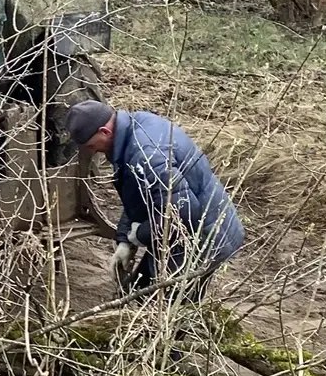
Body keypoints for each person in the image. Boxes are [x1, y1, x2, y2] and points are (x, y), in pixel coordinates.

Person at [66, 98, 244, 298]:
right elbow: (142, 195)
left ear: (105, 132)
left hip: (203, 237)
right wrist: (125, 239)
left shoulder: (147, 154)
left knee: (160, 305)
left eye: (91, 146)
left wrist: (139, 235)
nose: (92, 151)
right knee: (138, 292)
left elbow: (181, 213)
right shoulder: (136, 126)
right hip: (190, 230)